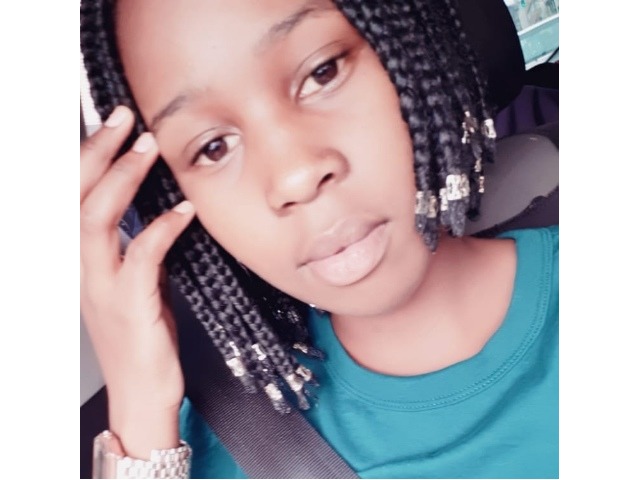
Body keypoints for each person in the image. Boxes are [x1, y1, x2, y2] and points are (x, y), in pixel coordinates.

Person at [80, 0, 559, 477]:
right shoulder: (202, 445)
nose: (295, 176)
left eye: (322, 73)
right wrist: (138, 408)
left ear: (411, 43)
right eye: (213, 148)